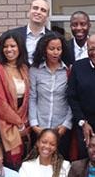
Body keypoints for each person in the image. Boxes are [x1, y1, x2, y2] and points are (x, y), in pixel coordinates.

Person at [0, 29, 31, 170]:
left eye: (13, 46)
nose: (9, 50)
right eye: (5, 46)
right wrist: (20, 125)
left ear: (20, 47)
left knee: (23, 165)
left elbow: (27, 98)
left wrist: (24, 123)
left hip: (23, 120)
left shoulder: (24, 68)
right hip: (3, 123)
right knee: (8, 167)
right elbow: (0, 105)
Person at [29, 31, 73, 159]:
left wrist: (66, 124)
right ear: (44, 49)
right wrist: (34, 124)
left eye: (59, 49)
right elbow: (32, 97)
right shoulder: (35, 70)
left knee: (61, 163)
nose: (55, 52)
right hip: (40, 127)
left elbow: (72, 99)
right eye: (51, 49)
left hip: (61, 128)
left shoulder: (69, 70)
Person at [15, 0, 51, 64]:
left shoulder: (52, 37)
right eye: (35, 8)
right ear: (29, 12)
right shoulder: (15, 35)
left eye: (43, 10)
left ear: (47, 16)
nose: (38, 12)